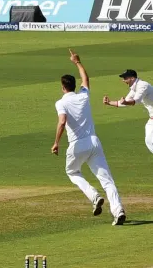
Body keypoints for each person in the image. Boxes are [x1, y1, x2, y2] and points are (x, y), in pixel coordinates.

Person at [51, 50, 126, 225]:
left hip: (77, 145)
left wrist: (56, 143)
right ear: (74, 86)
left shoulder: (61, 102)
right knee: (107, 180)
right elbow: (86, 80)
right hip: (94, 142)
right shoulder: (83, 96)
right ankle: (119, 210)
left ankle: (94, 196)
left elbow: (62, 122)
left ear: (63, 87)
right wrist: (77, 62)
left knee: (72, 171)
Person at [104, 70, 153, 154]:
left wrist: (125, 102)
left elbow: (135, 101)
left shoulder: (142, 85)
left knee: (149, 139)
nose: (123, 80)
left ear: (132, 78)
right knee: (148, 137)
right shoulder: (134, 88)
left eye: (125, 78)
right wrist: (109, 103)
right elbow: (125, 102)